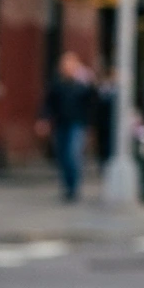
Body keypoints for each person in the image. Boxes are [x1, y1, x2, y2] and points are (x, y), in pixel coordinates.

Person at [37, 52, 97, 202]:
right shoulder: (57, 86)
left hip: (77, 125)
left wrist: (90, 125)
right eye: (65, 65)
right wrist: (43, 120)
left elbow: (93, 102)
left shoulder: (82, 86)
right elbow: (48, 104)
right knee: (62, 157)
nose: (68, 68)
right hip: (61, 124)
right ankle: (67, 186)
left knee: (73, 155)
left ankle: (73, 187)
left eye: (71, 65)